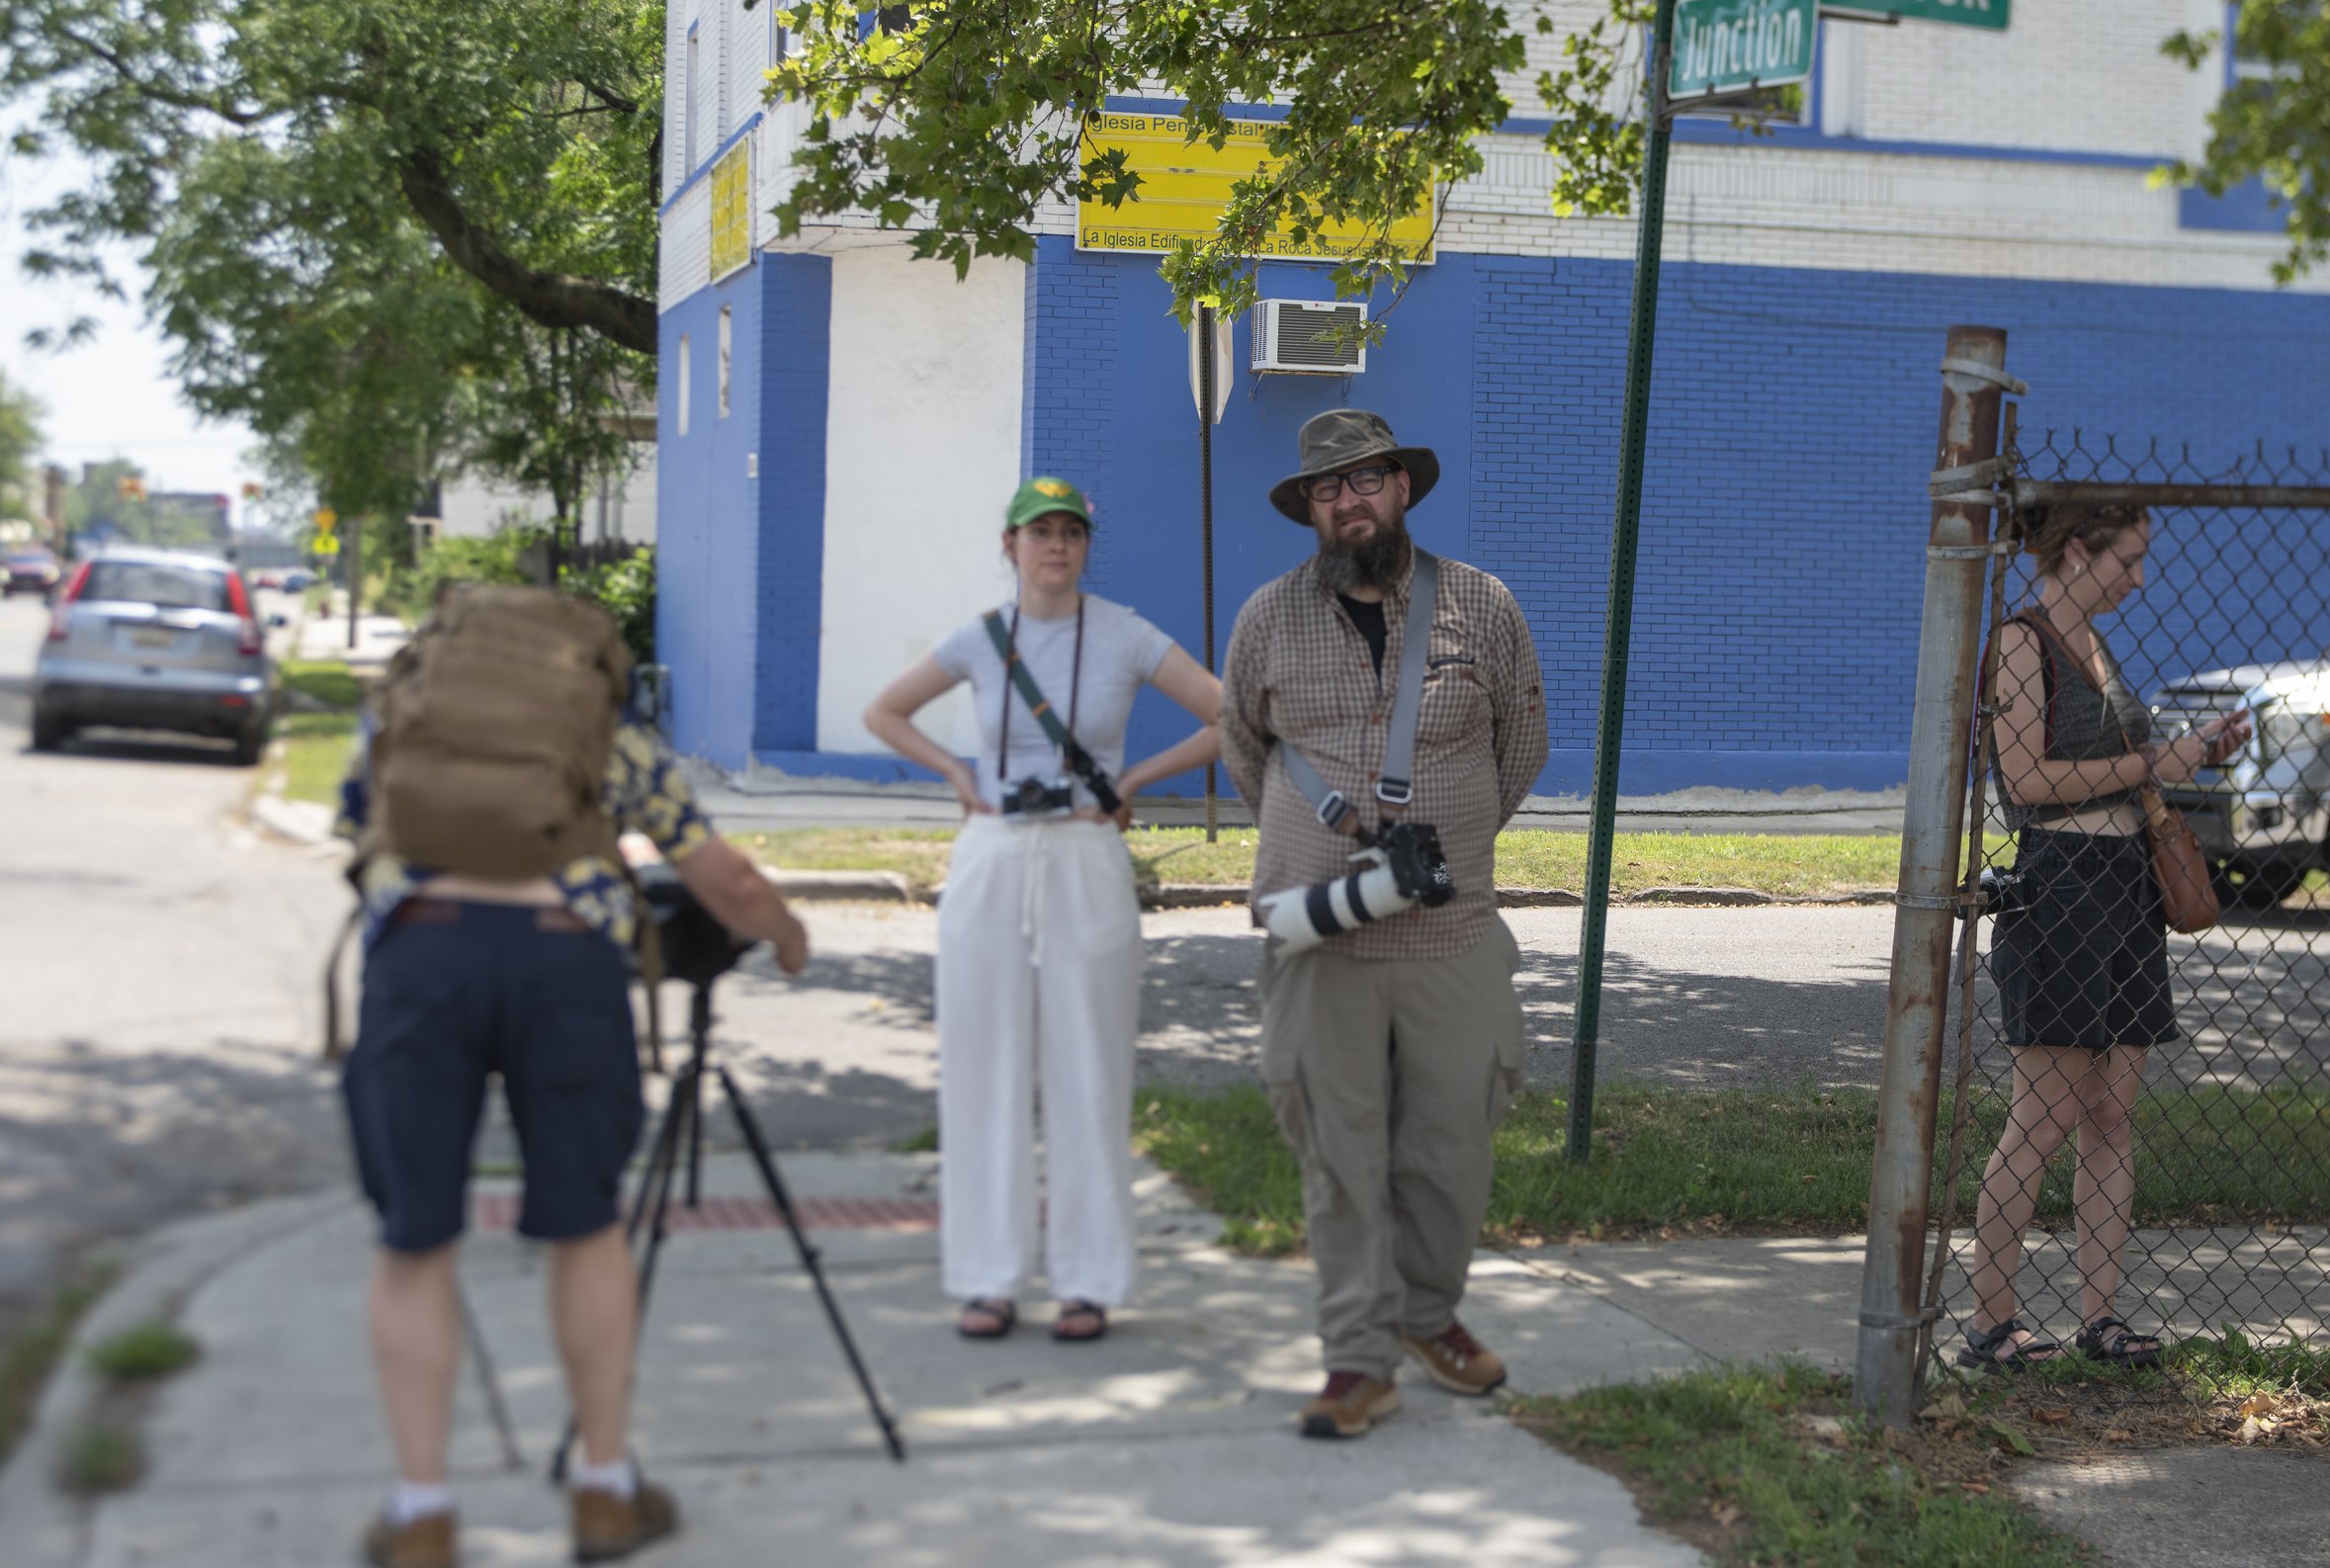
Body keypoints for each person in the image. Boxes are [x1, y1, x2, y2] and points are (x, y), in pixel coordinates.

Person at [338, 585, 811, 1568]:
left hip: (421, 960)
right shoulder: (606, 725)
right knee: (586, 1227)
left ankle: (422, 1512)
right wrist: (787, 933)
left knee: (414, 1239)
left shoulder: (401, 709)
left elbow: (356, 820)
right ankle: (604, 1492)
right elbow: (718, 874)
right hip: (566, 962)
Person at [1221, 409, 1548, 1439]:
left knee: (1451, 1149)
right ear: (1308, 508)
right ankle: (1358, 1358)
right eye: (1327, 487)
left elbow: (1521, 743)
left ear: (1403, 486)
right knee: (1341, 1156)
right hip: (1320, 943)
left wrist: (1447, 842)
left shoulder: (1483, 606)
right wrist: (1321, 853)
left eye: (1366, 479)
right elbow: (1245, 748)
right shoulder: (1267, 618)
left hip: (1452, 937)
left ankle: (1425, 1313)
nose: (1348, 499)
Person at [863, 478, 1222, 1343]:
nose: (1055, 545)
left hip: (1085, 858)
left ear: (1086, 544)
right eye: (1038, 531)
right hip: (991, 858)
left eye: (1070, 531)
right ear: (1010, 544)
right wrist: (957, 774)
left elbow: (1232, 714)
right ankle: (987, 1277)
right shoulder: (982, 638)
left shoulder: (1124, 633)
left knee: (1089, 1068)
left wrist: (1133, 780)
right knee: (981, 1067)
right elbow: (884, 710)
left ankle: (1087, 1280)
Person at [1961, 503, 2249, 1371]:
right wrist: (2154, 762)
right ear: (2078, 550)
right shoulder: (2023, 641)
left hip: (2130, 888)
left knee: (2112, 1115)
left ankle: (2101, 1317)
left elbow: (2118, 770)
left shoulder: (2093, 641)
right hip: (2062, 889)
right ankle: (1991, 1323)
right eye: (2129, 559)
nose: (2139, 578)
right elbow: (2026, 778)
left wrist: (2196, 750)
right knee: (2043, 1117)